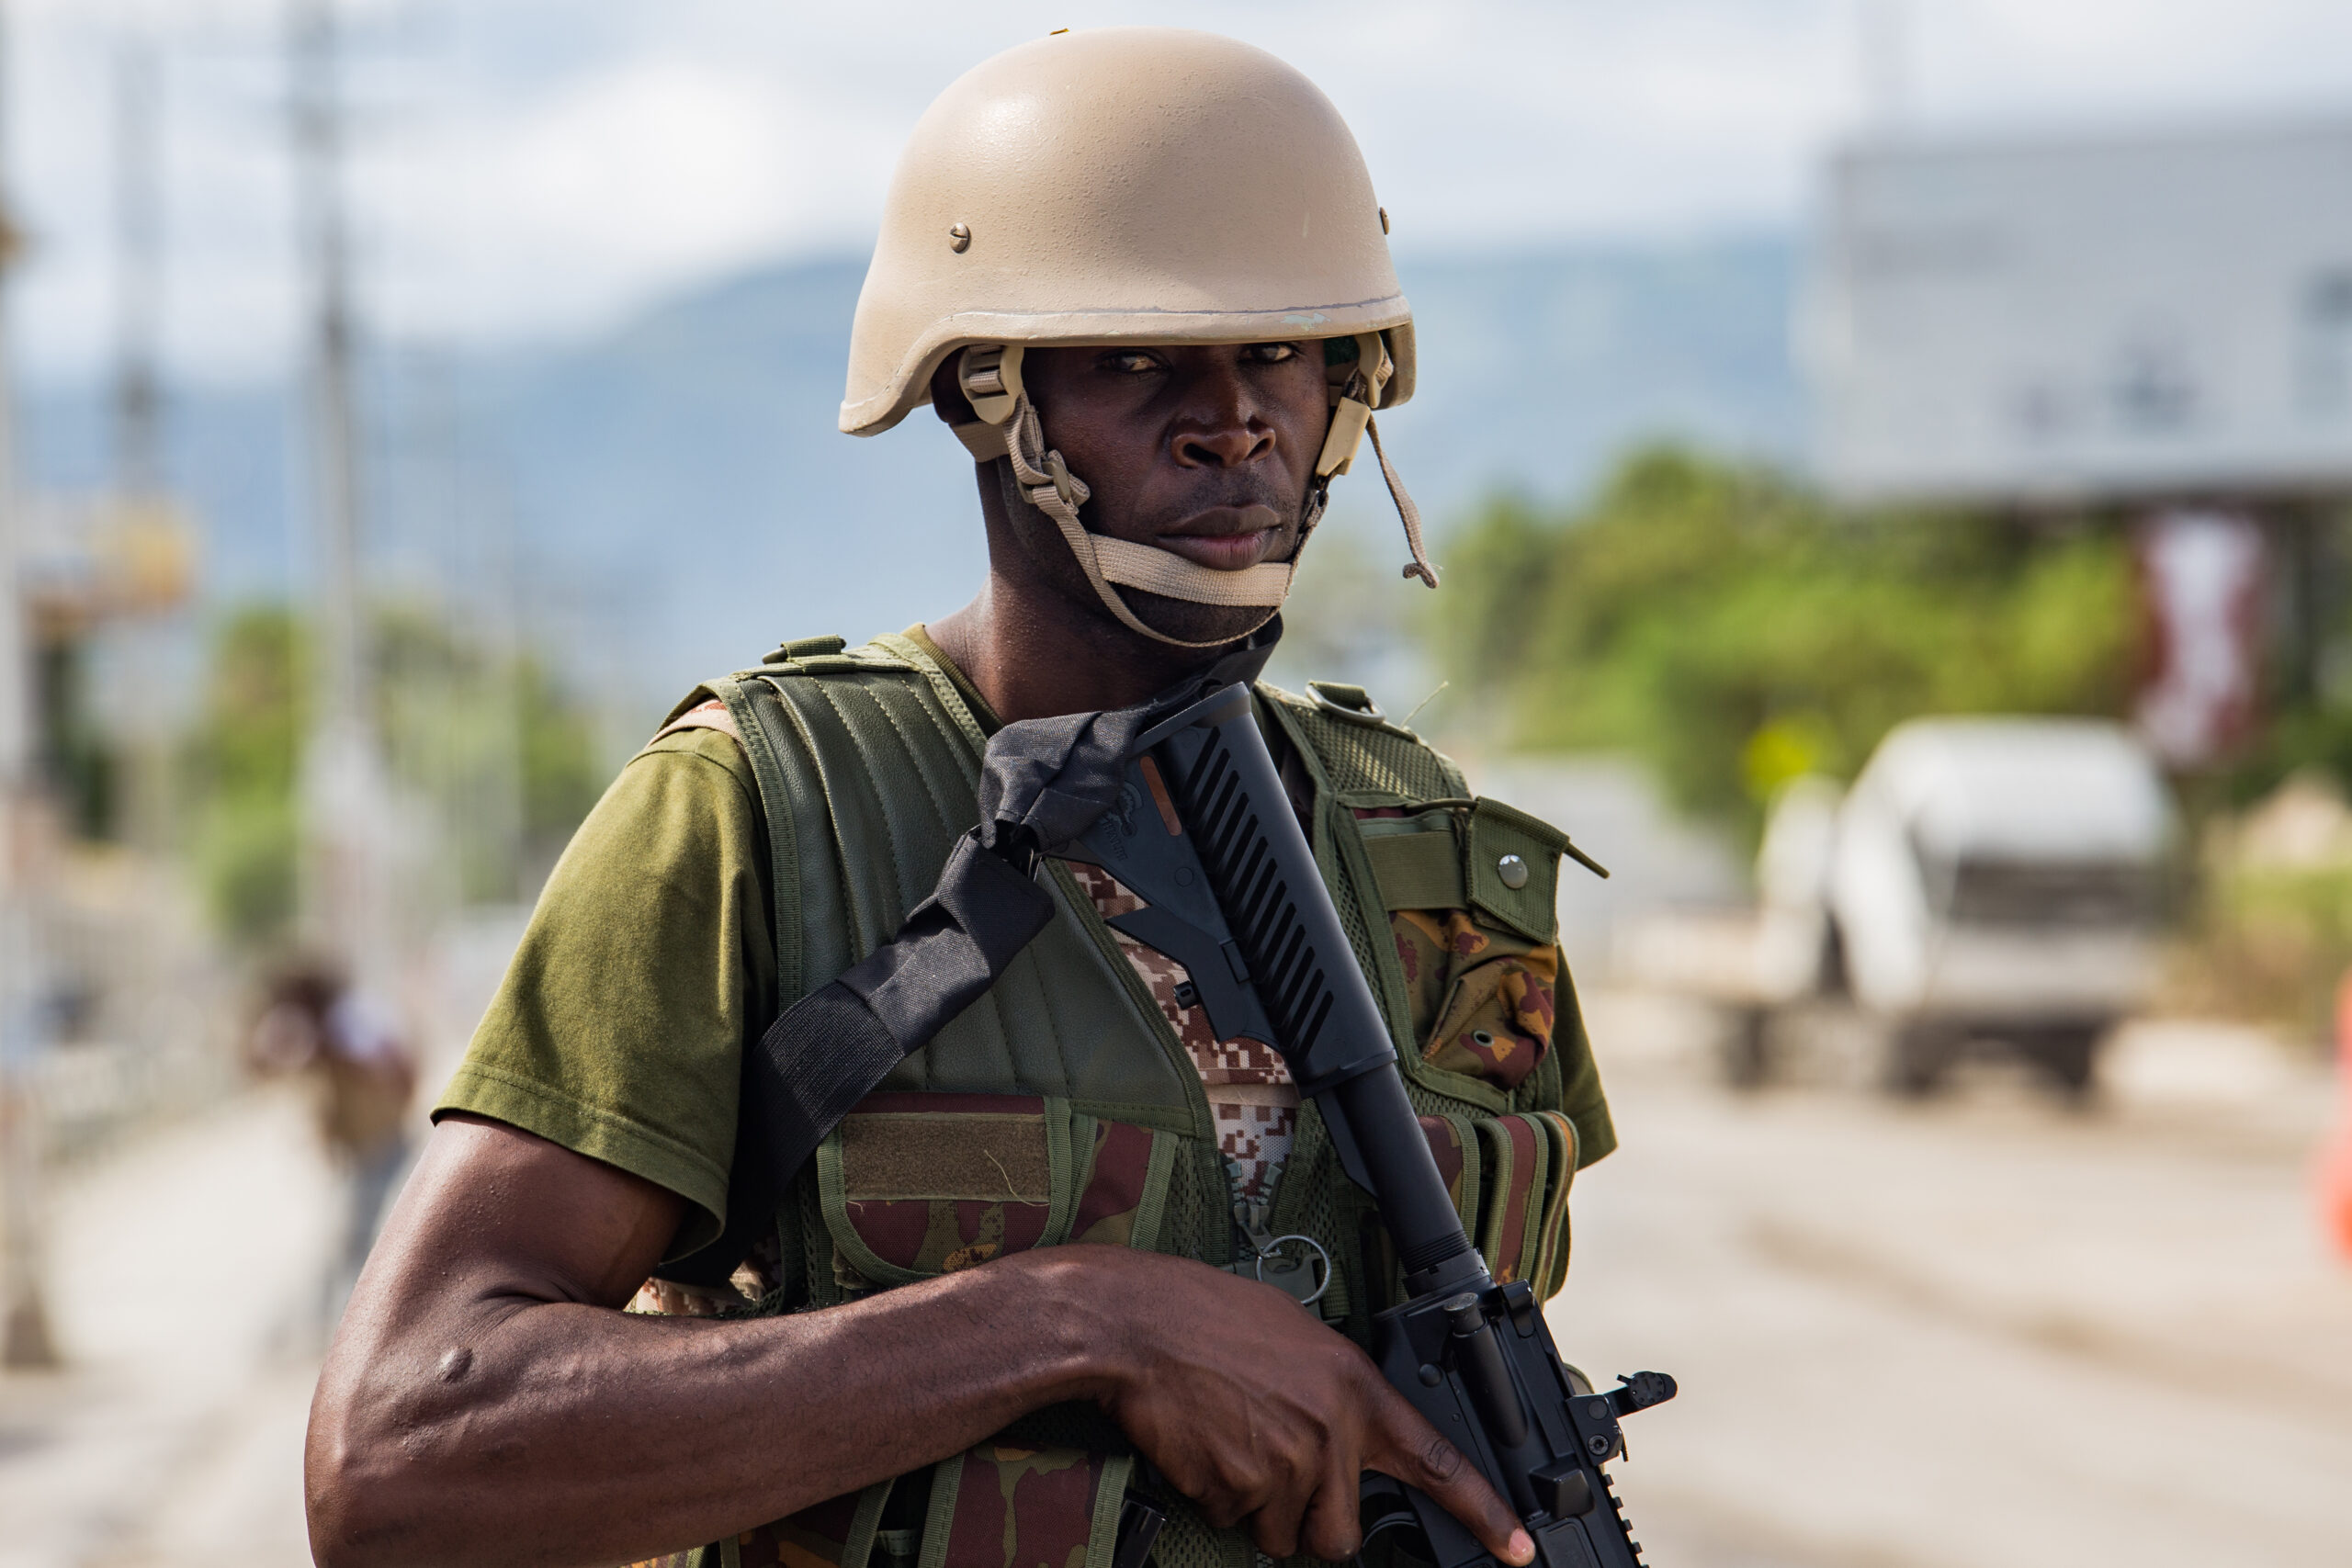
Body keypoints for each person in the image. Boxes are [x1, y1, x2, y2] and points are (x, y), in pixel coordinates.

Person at [306, 28, 1616, 1568]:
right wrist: (1074, 1321)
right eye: (1139, 359)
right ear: (984, 396)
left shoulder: (1426, 841)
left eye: (1280, 351)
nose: (1233, 417)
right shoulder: (758, 810)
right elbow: (402, 1449)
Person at [249, 960, 417, 1333]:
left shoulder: (345, 1021)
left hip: (380, 1147)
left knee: (359, 1247)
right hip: (366, 1150)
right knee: (352, 1242)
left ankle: (360, 1332)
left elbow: (386, 1065)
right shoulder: (338, 1023)